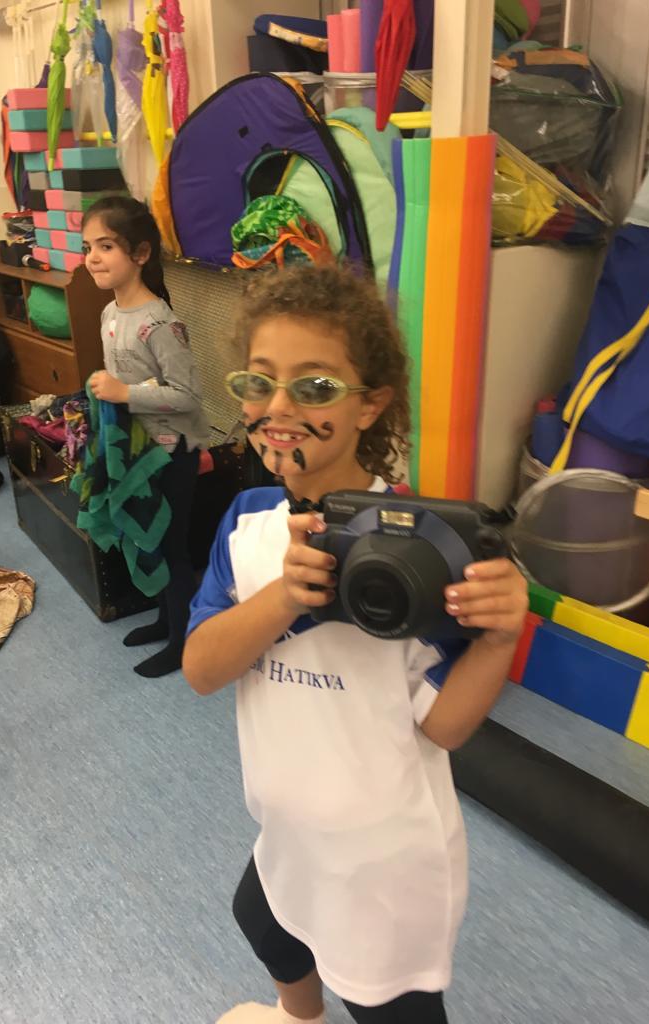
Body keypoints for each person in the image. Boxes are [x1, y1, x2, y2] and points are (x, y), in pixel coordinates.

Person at [182, 265, 528, 1024]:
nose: (278, 408)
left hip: (381, 860)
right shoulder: (246, 521)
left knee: (390, 1007)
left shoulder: (421, 551)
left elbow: (444, 727)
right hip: (289, 829)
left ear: (369, 405)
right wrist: (283, 596)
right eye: (259, 381)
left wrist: (500, 638)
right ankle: (300, 1016)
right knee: (263, 920)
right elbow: (202, 669)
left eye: (314, 387)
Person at [82, 195, 210, 678]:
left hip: (171, 452)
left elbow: (188, 396)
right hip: (136, 451)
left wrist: (123, 392)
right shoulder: (109, 314)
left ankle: (185, 640)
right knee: (147, 538)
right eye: (87, 247)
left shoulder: (161, 323)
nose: (92, 258)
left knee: (171, 545)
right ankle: (164, 621)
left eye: (106, 246)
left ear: (139, 253)